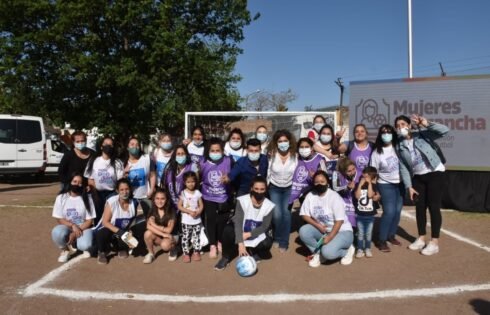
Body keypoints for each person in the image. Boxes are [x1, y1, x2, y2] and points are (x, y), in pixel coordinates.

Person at [395, 114, 449, 256]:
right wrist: (409, 186)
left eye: (403, 124)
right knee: (420, 207)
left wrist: (426, 123)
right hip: (418, 177)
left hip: (435, 173)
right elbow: (404, 168)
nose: (401, 127)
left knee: (433, 206)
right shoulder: (399, 145)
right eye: (398, 126)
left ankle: (434, 242)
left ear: (409, 125)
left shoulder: (421, 135)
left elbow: (444, 131)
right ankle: (421, 238)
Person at [214, 176, 274, 271]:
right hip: (241, 230)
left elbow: (264, 226)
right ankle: (225, 257)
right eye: (256, 189)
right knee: (228, 230)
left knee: (267, 243)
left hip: (254, 231)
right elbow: (238, 222)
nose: (259, 192)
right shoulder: (242, 200)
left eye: (262, 189)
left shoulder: (269, 205)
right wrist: (241, 244)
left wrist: (249, 234)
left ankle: (253, 251)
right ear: (251, 189)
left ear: (266, 190)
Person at [299, 170, 355, 267]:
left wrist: (329, 237)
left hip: (342, 231)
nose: (319, 184)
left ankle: (346, 251)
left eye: (322, 182)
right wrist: (318, 226)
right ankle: (318, 253)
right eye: (316, 182)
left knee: (328, 252)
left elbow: (339, 221)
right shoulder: (310, 196)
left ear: (327, 183)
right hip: (324, 230)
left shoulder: (334, 197)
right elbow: (304, 214)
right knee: (304, 231)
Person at [370, 124, 404, 252]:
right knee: (389, 212)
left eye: (389, 132)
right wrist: (374, 189)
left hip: (400, 184)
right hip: (385, 184)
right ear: (380, 135)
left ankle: (391, 235)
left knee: (397, 211)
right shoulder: (376, 153)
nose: (386, 134)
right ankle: (382, 240)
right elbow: (373, 173)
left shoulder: (398, 147)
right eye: (383, 132)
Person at [200, 138, 233, 258]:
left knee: (222, 221)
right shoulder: (202, 162)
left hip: (224, 196)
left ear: (222, 150)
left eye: (217, 150)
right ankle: (212, 244)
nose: (215, 152)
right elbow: (196, 177)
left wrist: (229, 179)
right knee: (211, 220)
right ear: (208, 151)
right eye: (212, 150)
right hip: (208, 196)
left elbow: (234, 175)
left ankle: (220, 241)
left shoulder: (229, 160)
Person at [51, 173, 95, 263]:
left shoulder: (87, 198)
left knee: (85, 246)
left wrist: (76, 232)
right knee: (57, 232)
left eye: (80, 183)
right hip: (68, 226)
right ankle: (66, 250)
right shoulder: (61, 197)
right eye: (74, 181)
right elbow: (59, 219)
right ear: (70, 182)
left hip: (83, 227)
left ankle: (76, 242)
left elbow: (89, 221)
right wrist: (72, 225)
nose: (77, 184)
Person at [267, 129, 298, 252]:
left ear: (290, 142)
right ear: (276, 142)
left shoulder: (296, 155)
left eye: (285, 140)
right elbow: (267, 171)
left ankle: (283, 241)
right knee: (277, 214)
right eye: (280, 141)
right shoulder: (271, 155)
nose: (283, 143)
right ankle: (277, 236)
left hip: (289, 187)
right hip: (274, 187)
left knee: (286, 214)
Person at [96, 179, 138, 264]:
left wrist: (131, 232)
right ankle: (101, 252)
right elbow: (105, 222)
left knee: (133, 239)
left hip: (122, 232)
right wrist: (120, 232)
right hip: (109, 230)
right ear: (117, 191)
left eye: (127, 189)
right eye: (122, 190)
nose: (125, 192)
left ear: (130, 190)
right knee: (103, 233)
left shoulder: (134, 203)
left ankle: (121, 248)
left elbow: (135, 220)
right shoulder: (111, 202)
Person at [84, 136, 124, 224]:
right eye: (105, 144)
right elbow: (90, 179)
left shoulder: (117, 163)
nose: (108, 146)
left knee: (111, 217)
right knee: (98, 217)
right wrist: (95, 193)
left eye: (110, 145)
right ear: (101, 146)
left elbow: (120, 181)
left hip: (112, 193)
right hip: (97, 193)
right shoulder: (93, 161)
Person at [289, 137, 327, 206]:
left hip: (313, 193)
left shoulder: (319, 159)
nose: (304, 149)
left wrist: (315, 177)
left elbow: (325, 178)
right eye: (301, 147)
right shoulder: (296, 158)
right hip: (295, 191)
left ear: (312, 148)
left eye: (306, 147)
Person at [123, 137, 156, 217]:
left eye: (137, 145)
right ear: (127, 147)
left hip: (146, 196)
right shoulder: (123, 162)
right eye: (132, 144)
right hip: (130, 198)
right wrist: (124, 174)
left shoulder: (146, 158)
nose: (135, 146)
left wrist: (151, 190)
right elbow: (121, 182)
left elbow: (152, 175)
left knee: (149, 218)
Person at [143, 188, 176, 264]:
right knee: (147, 233)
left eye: (162, 199)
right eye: (157, 198)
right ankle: (151, 253)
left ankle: (174, 249)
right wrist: (163, 234)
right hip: (162, 236)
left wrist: (154, 225)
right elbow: (148, 226)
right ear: (154, 199)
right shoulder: (152, 210)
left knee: (165, 246)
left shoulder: (171, 210)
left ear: (167, 199)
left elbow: (169, 230)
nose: (159, 201)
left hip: (172, 236)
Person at [353, 167, 380, 258]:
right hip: (360, 214)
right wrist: (360, 185)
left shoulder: (374, 186)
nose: (365, 177)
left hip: (370, 215)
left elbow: (370, 195)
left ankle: (367, 248)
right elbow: (357, 196)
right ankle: (360, 249)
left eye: (367, 175)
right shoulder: (358, 185)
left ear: (371, 177)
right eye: (364, 175)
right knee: (360, 233)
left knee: (368, 233)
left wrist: (369, 184)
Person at [177, 171, 204, 262]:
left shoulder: (197, 192)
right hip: (186, 221)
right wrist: (189, 211)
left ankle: (196, 252)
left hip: (197, 220)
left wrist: (199, 211)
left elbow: (201, 205)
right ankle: (186, 253)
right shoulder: (183, 193)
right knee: (186, 237)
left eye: (192, 181)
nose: (191, 184)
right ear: (184, 182)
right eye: (188, 182)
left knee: (196, 236)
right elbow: (179, 206)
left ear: (195, 182)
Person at [332, 158, 357, 228]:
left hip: (356, 204)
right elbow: (335, 189)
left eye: (354, 169)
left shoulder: (359, 173)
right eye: (349, 171)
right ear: (343, 171)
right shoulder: (337, 174)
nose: (352, 172)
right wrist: (347, 187)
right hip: (343, 204)